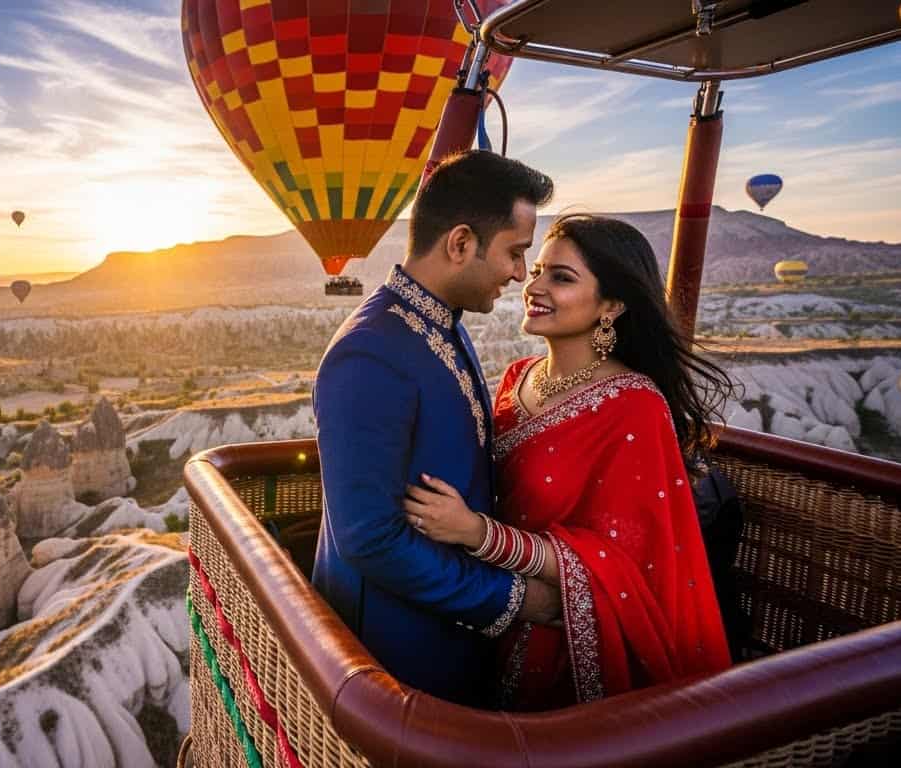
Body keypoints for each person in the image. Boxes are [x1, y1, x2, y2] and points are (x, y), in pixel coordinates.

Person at [404, 214, 734, 709]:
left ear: (613, 304)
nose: (533, 286)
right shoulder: (519, 378)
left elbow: (621, 562)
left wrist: (477, 534)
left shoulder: (633, 405)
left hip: (574, 642)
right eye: (536, 269)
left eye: (561, 277)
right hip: (494, 614)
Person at [312, 151, 562, 706]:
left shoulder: (439, 322)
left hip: (448, 629)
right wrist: (519, 599)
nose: (521, 273)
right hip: (394, 657)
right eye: (515, 252)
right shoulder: (369, 353)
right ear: (460, 243)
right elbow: (370, 538)